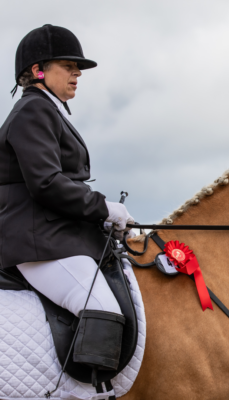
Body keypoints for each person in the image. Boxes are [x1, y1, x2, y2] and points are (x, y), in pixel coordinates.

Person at [0, 24, 135, 383]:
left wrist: (99, 219)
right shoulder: (33, 111)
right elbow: (46, 183)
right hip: (38, 243)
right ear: (37, 71)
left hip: (57, 236)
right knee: (102, 307)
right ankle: (80, 391)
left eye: (78, 68)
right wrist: (103, 207)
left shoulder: (49, 110)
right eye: (68, 66)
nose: (77, 74)